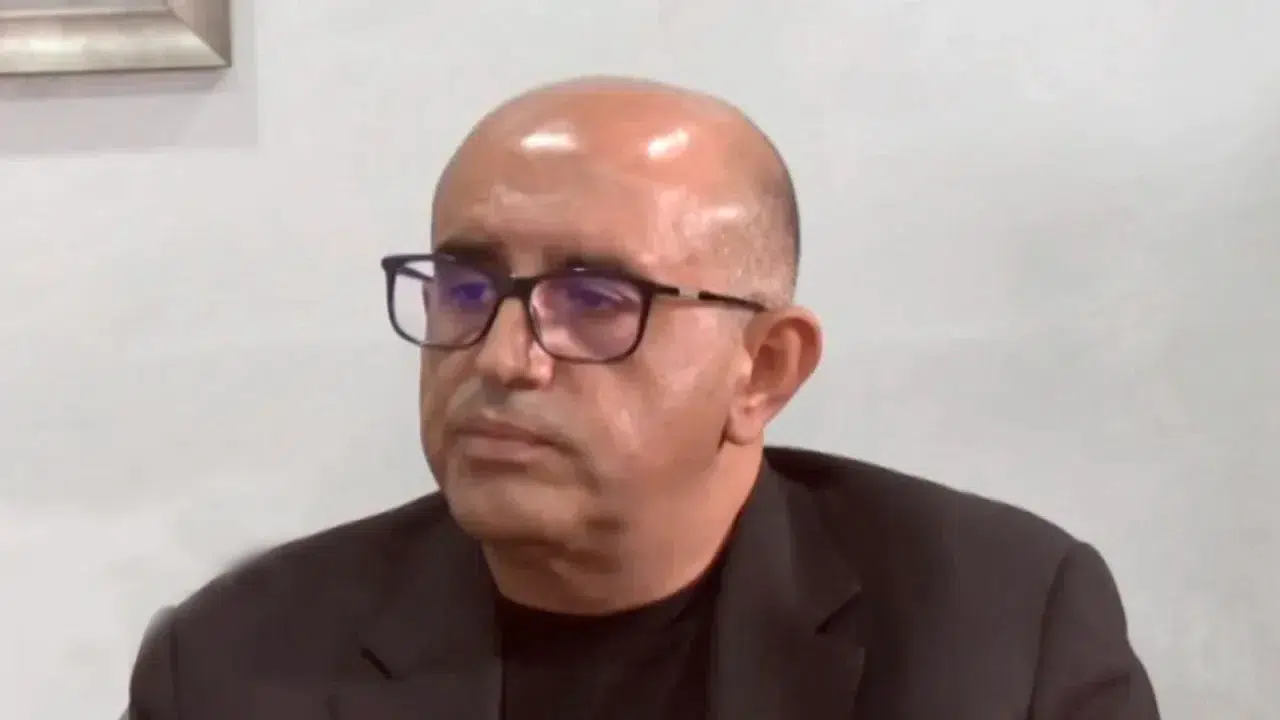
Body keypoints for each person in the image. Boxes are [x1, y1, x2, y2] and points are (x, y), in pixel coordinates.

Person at [124, 76, 1161, 720]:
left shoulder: (998, 633)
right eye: (466, 289)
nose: (506, 359)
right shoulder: (232, 665)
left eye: (593, 300)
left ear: (764, 369)